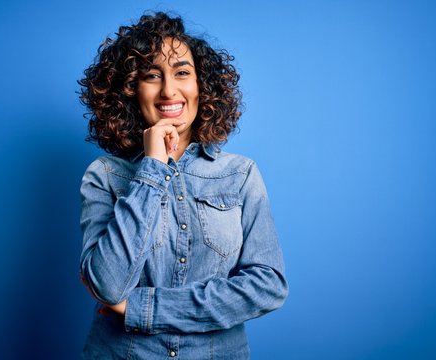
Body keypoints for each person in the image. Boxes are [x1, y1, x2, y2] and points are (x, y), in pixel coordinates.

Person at [78, 11, 288, 359]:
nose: (168, 90)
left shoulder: (241, 175)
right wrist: (153, 167)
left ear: (201, 85)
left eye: (182, 73)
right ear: (131, 90)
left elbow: (267, 286)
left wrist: (144, 308)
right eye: (151, 75)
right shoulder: (104, 175)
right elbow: (108, 285)